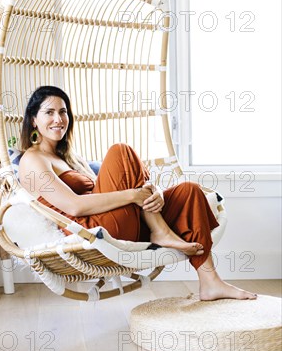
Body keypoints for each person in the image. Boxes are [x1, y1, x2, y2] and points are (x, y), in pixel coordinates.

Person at [19, 85, 257, 301]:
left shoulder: (71, 158)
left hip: (123, 220)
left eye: (63, 112)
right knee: (121, 151)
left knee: (189, 191)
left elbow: (118, 187)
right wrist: (134, 195)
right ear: (33, 120)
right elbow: (74, 206)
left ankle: (210, 282)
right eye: (49, 112)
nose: (58, 119)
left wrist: (154, 193)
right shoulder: (32, 159)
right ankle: (159, 230)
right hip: (93, 232)